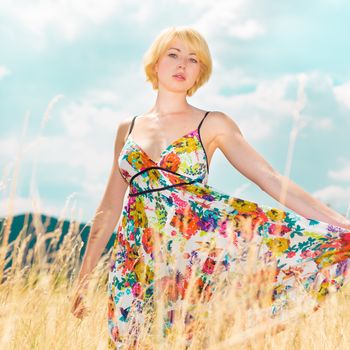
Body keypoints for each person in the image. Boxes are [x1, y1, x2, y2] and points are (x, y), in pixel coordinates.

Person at [71, 26, 350, 348]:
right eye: (173, 55)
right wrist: (83, 278)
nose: (182, 65)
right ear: (155, 63)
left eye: (193, 60)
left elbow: (269, 177)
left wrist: (341, 222)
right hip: (136, 263)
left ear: (200, 72)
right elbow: (108, 210)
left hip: (193, 263)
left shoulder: (213, 123)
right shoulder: (127, 128)